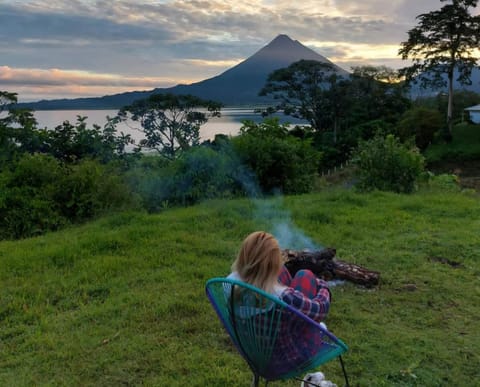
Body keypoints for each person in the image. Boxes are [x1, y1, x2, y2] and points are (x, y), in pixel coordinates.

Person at [227, 230, 331, 323]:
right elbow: (320, 309)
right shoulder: (284, 296)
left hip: (247, 340)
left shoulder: (230, 282)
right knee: (305, 275)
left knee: (284, 271)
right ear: (274, 264)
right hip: (284, 343)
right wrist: (322, 284)